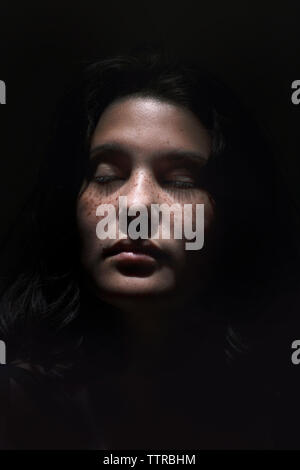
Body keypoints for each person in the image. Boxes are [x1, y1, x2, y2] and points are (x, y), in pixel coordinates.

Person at [0, 49, 297, 449]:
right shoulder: (14, 408)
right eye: (106, 176)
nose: (136, 206)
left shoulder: (280, 414)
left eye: (181, 181)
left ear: (233, 218)